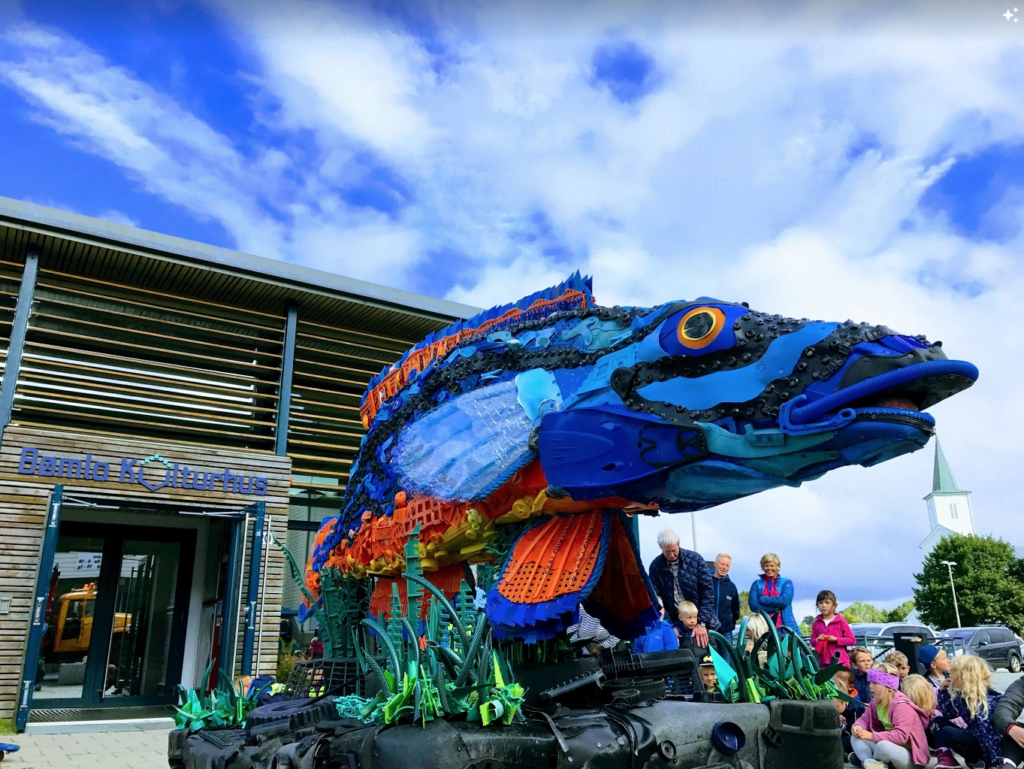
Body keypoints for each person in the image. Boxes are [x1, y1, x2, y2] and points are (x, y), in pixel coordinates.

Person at [850, 662, 931, 769]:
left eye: (874, 683)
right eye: (870, 682)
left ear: (887, 686)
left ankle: (869, 760)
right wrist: (858, 727)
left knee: (882, 746)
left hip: (911, 757)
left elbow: (900, 736)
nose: (870, 686)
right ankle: (869, 762)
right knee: (855, 738)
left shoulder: (901, 706)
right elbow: (864, 720)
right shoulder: (876, 702)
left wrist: (872, 736)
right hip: (886, 746)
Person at [648, 529, 716, 647]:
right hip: (674, 624)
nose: (671, 555)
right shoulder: (655, 567)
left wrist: (701, 623)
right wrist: (670, 626)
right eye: (667, 551)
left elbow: (708, 593)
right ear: (661, 548)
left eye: (674, 550)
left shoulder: (696, 560)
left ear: (678, 544)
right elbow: (657, 601)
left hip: (701, 621)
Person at [934, 654, 1003, 769]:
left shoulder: (987, 700)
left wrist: (994, 761)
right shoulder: (962, 697)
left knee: (950, 731)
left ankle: (982, 763)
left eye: (952, 673)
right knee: (940, 723)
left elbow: (988, 734)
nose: (949, 676)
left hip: (991, 748)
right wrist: (942, 692)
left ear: (963, 676)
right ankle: (950, 759)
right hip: (975, 739)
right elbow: (948, 714)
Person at [747, 552, 798, 633]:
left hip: (784, 627)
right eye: (766, 565)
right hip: (763, 627)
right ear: (762, 567)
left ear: (777, 567)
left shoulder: (786, 583)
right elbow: (753, 605)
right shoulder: (756, 584)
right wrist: (774, 609)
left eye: (772, 565)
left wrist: (763, 599)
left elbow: (784, 601)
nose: (769, 568)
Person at [810, 590, 856, 667]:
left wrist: (836, 640)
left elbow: (852, 640)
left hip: (840, 662)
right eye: (820, 603)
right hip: (822, 662)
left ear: (834, 605)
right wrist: (818, 639)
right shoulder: (816, 623)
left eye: (827, 602)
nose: (823, 605)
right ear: (817, 605)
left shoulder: (841, 621)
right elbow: (812, 641)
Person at [993, 675, 1024, 768]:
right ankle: (1007, 764)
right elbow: (1004, 708)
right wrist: (1012, 728)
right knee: (1014, 733)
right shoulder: (1021, 683)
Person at [711, 553, 740, 638]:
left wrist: (731, 623)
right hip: (708, 630)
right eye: (722, 564)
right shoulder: (706, 583)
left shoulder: (731, 586)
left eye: (727, 566)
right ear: (715, 564)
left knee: (727, 651)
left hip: (725, 631)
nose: (724, 568)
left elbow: (735, 609)